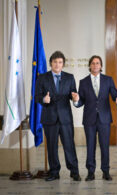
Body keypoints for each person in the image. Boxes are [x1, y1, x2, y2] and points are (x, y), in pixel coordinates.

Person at [72, 55, 117, 181]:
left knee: (105, 146)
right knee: (90, 146)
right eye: (93, 63)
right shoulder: (83, 82)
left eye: (97, 63)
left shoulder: (108, 80)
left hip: (104, 118)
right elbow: (81, 101)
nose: (95, 65)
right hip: (89, 119)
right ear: (90, 66)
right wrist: (76, 101)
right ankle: (90, 172)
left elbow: (114, 93)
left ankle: (106, 171)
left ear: (101, 66)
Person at [35, 51, 81, 181]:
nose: (57, 64)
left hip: (65, 118)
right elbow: (37, 97)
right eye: (55, 62)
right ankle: (54, 172)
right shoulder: (42, 78)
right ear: (51, 63)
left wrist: (76, 98)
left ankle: (74, 171)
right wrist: (44, 99)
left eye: (60, 62)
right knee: (51, 146)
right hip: (49, 118)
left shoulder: (69, 77)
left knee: (69, 145)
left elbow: (74, 96)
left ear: (63, 64)